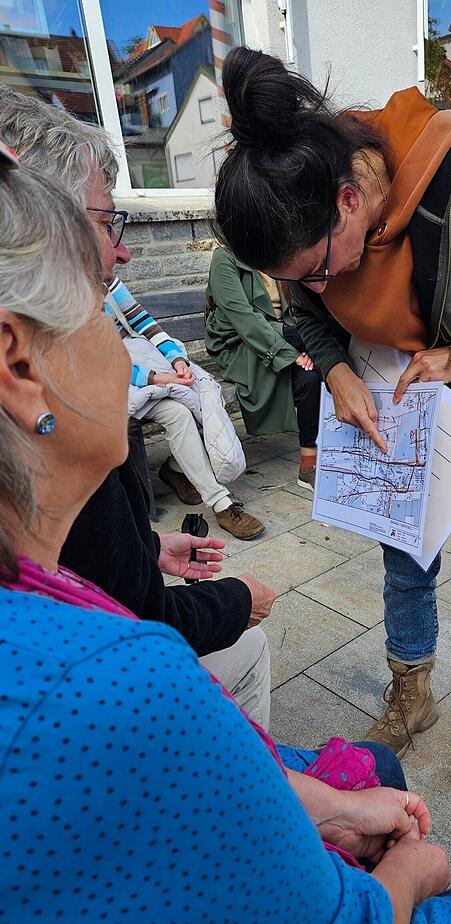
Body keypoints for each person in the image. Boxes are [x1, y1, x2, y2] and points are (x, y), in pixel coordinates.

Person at [0, 154, 451, 924]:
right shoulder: (118, 680)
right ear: (19, 367)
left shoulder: (48, 601)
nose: (132, 344)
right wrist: (409, 875)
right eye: (102, 316)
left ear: (353, 204)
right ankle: (413, 690)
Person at [213, 48, 451, 793]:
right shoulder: (308, 223)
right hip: (393, 432)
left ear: (350, 202)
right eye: (297, 279)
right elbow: (306, 309)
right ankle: (411, 691)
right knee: (404, 570)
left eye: (318, 270)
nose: (317, 288)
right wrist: (338, 371)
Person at [0, 84, 273, 725]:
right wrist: (235, 599)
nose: (121, 251)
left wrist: (144, 550)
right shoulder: (66, 462)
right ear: (19, 363)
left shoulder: (45, 554)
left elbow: (87, 579)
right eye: (105, 221)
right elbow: (131, 627)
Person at [106, 275, 263, 537]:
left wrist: (177, 360)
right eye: (108, 231)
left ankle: (175, 469)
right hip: (113, 382)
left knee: (197, 397)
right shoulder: (66, 290)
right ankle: (221, 503)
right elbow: (96, 359)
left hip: (144, 366)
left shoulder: (107, 280)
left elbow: (143, 323)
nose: (122, 253)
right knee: (179, 413)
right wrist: (155, 377)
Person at [205, 245, 322, 491]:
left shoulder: (273, 251)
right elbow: (242, 318)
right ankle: (311, 463)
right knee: (311, 351)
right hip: (239, 343)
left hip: (281, 333)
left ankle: (309, 465)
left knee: (314, 368)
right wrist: (289, 354)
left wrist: (298, 344)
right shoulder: (224, 258)